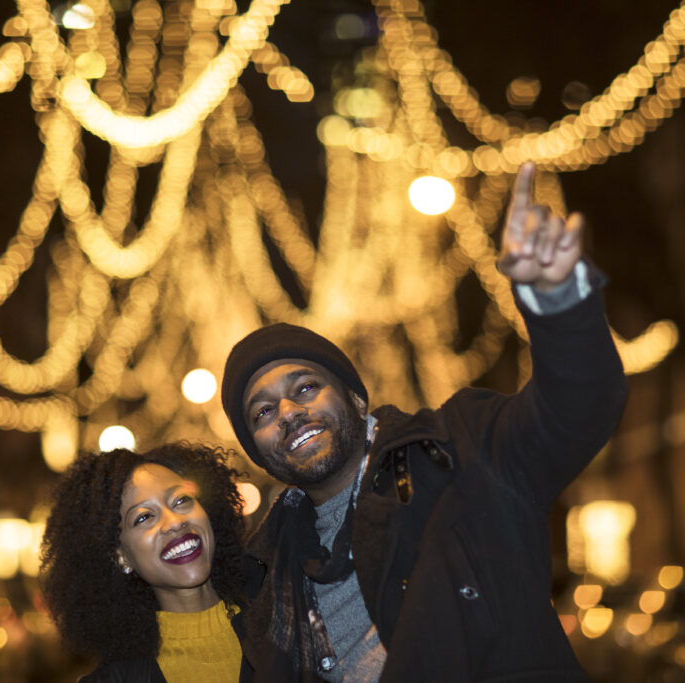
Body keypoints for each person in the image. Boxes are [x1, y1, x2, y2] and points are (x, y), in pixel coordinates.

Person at [219, 162, 630, 681]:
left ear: (353, 397)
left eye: (305, 388)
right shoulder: (264, 572)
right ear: (257, 449)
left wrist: (558, 302)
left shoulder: (461, 450)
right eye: (263, 411)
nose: (288, 412)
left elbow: (577, 409)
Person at [39, 443, 252, 682]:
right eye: (144, 517)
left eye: (181, 500)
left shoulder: (285, 620)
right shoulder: (115, 679)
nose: (174, 522)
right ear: (121, 557)